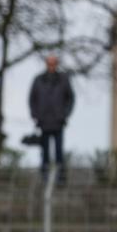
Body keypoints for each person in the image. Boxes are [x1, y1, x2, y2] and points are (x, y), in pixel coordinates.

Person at [29, 55, 74, 183]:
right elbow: (32, 99)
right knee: (45, 151)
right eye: (49, 63)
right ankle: (44, 175)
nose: (51, 66)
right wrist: (35, 114)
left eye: (53, 63)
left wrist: (65, 114)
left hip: (58, 121)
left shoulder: (63, 79)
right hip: (43, 122)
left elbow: (70, 98)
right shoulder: (38, 80)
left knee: (59, 150)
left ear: (57, 64)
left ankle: (61, 176)